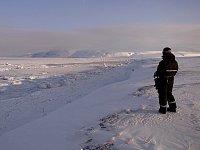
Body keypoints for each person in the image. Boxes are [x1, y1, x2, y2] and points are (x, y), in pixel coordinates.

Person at [154, 47, 178, 114]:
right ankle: (173, 108)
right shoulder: (174, 62)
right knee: (169, 93)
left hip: (163, 80)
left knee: (162, 94)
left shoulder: (163, 62)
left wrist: (157, 74)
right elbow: (176, 71)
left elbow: (159, 71)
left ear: (164, 52)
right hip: (171, 79)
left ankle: (163, 109)